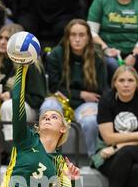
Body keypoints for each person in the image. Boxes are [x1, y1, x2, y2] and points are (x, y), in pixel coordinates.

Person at [0, 23, 47, 161]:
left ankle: (16, 151)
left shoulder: (30, 62)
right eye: (0, 38)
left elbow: (38, 97)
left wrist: (14, 96)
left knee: (10, 105)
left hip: (27, 108)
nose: (2, 42)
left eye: (7, 39)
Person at [40, 19, 107, 158]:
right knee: (49, 106)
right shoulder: (56, 55)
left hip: (85, 104)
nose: (77, 39)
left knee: (90, 121)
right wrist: (81, 94)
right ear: (67, 37)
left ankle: (94, 158)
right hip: (61, 101)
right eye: (73, 35)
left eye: (81, 35)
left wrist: (76, 95)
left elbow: (98, 91)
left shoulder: (97, 58)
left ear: (88, 37)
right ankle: (48, 155)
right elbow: (54, 87)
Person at [87, 0, 138, 98]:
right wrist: (105, 48)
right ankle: (112, 102)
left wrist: (134, 54)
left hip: (136, 48)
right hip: (108, 48)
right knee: (113, 65)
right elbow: (91, 30)